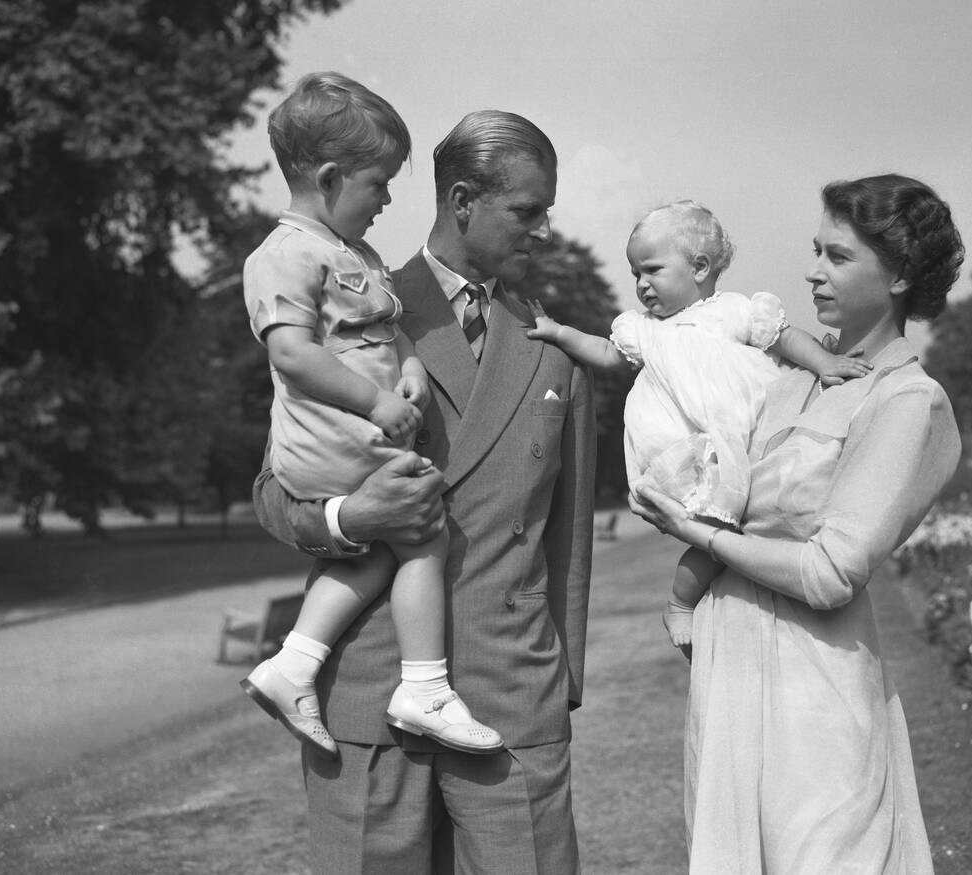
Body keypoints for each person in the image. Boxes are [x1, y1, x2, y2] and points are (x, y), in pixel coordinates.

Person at [253, 109, 596, 875]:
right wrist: (351, 516)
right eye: (527, 210)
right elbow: (275, 489)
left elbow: (571, 536)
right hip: (370, 693)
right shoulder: (342, 301)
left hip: (511, 697)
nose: (542, 230)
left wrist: (558, 683)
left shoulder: (555, 347)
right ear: (465, 199)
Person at [633, 174, 964, 873]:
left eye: (838, 256)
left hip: (817, 683)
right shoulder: (785, 379)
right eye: (815, 250)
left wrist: (700, 535)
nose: (812, 270)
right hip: (727, 666)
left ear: (900, 273)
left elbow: (830, 571)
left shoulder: (909, 399)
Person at [239, 72, 501, 759]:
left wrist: (409, 366)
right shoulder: (283, 254)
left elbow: (388, 331)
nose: (387, 199)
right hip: (329, 441)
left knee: (391, 543)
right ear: (328, 178)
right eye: (377, 182)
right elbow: (293, 356)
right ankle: (425, 687)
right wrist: (379, 401)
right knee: (422, 530)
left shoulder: (357, 255)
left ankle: (293, 663)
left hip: (357, 438)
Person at [528, 200, 870, 651]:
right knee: (718, 529)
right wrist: (559, 333)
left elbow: (785, 337)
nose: (641, 284)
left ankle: (722, 602)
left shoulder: (735, 311)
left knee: (751, 525)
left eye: (651, 270)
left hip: (743, 437)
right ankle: (680, 603)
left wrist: (824, 362)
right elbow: (607, 355)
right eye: (635, 275)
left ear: (700, 266)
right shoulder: (643, 329)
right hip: (687, 449)